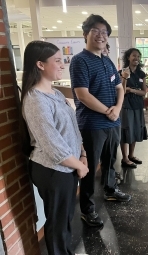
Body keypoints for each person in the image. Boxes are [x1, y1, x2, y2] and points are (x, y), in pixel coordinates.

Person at [20, 40, 89, 255]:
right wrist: (79, 164)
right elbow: (51, 144)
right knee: (57, 223)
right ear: (40, 64)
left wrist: (83, 153)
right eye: (57, 61)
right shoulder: (35, 100)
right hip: (52, 170)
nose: (62, 65)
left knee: (65, 218)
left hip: (68, 166)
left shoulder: (56, 94)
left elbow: (73, 128)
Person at [69, 14, 131, 228]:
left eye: (104, 32)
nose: (101, 35)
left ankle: (111, 190)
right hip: (92, 125)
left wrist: (117, 109)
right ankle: (87, 209)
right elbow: (82, 95)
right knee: (89, 167)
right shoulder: (79, 61)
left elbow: (119, 88)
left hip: (112, 122)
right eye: (96, 30)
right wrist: (108, 111)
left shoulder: (107, 61)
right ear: (86, 33)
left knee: (110, 160)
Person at [119, 48, 148, 168]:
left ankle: (131, 155)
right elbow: (122, 91)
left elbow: (144, 92)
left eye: (138, 56)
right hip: (126, 106)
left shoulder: (141, 74)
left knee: (135, 130)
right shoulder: (122, 72)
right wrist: (125, 80)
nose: (136, 58)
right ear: (128, 58)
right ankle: (124, 158)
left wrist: (132, 90)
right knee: (126, 130)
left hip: (137, 106)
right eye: (134, 56)